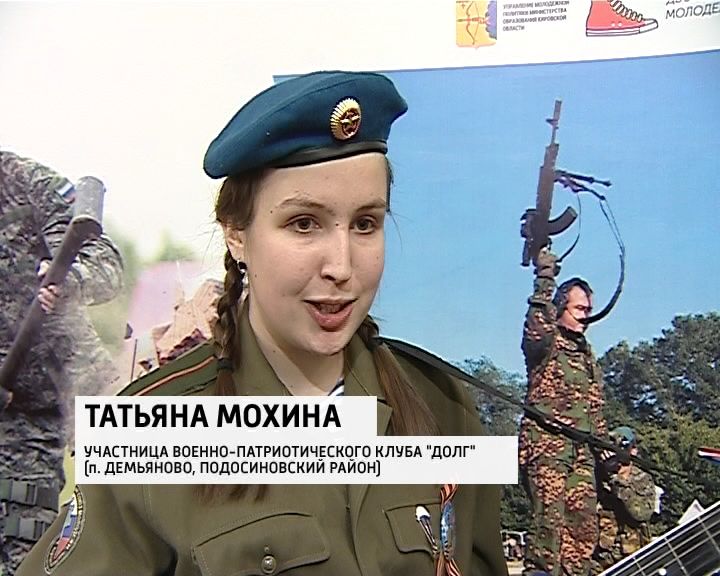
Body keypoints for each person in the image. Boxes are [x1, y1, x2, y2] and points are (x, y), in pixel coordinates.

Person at [17, 71, 508, 575]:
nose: (341, 266)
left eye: (366, 224)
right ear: (237, 234)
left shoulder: (443, 407)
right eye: (304, 224)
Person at [0, 149, 124, 575]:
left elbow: (106, 266)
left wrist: (68, 280)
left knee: (27, 555)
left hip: (48, 404)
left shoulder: (27, 184)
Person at [518, 248, 607, 576]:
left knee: (583, 533)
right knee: (549, 530)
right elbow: (537, 324)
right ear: (560, 309)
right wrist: (544, 279)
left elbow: (595, 409)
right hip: (548, 447)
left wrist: (607, 450)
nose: (586, 317)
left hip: (581, 453)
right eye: (580, 309)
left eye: (589, 310)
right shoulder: (547, 342)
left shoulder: (587, 356)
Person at [590, 426, 656, 574]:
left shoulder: (642, 479)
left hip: (632, 557)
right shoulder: (598, 476)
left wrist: (616, 479)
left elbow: (641, 513)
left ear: (634, 450)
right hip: (601, 558)